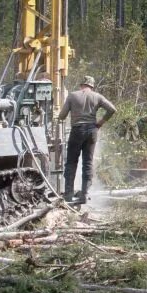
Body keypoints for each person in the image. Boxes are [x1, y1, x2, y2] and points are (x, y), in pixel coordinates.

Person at [58, 75, 116, 205]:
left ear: (81, 85)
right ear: (92, 86)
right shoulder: (97, 96)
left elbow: (62, 116)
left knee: (71, 162)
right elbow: (112, 109)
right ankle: (84, 195)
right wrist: (100, 123)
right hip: (92, 131)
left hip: (77, 131)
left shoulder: (73, 95)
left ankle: (68, 195)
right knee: (88, 162)